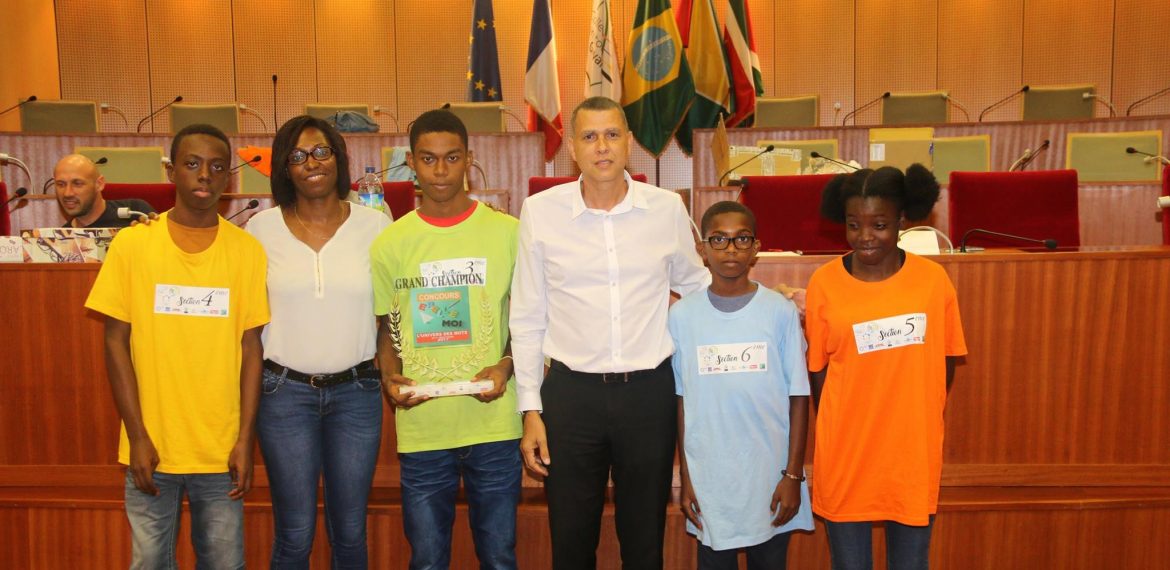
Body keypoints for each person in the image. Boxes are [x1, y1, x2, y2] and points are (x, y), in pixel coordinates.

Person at [510, 96, 709, 570]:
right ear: (572, 149)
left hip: (648, 396)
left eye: (612, 134)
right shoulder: (540, 212)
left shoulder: (665, 209)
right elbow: (527, 316)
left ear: (629, 142)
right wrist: (530, 410)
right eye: (589, 136)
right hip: (571, 399)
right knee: (571, 542)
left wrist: (758, 301)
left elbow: (697, 286)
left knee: (644, 543)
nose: (602, 146)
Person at [84, 124, 268, 568]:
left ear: (229, 179)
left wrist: (245, 440)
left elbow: (252, 350)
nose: (204, 175)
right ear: (171, 172)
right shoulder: (133, 244)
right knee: (149, 561)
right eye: (192, 164)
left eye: (217, 167)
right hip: (151, 446)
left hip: (220, 451)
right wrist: (138, 436)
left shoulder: (246, 251)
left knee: (224, 562)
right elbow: (115, 343)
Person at [372, 109, 521, 569]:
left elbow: (529, 323)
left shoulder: (509, 234)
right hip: (424, 429)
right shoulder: (390, 243)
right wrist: (390, 378)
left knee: (498, 558)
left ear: (469, 160)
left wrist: (506, 365)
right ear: (411, 164)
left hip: (494, 426)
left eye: (452, 158)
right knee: (428, 560)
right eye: (428, 158)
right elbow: (387, 329)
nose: (440, 170)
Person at [805, 165, 967, 570]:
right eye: (853, 224)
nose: (865, 236)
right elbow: (818, 372)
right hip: (846, 451)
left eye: (878, 224)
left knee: (911, 562)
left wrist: (914, 411)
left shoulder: (932, 282)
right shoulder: (824, 283)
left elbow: (945, 362)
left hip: (910, 452)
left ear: (901, 221)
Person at [246, 115, 388, 568]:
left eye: (322, 152)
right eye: (298, 156)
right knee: (295, 533)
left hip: (357, 394)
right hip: (284, 395)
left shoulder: (376, 225)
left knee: (350, 532)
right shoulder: (260, 230)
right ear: (284, 169)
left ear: (339, 159)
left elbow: (393, 316)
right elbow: (248, 328)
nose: (312, 163)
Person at [670, 201, 814, 570]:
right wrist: (687, 477)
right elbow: (682, 401)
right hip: (710, 480)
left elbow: (799, 396)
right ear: (702, 250)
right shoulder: (683, 315)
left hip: (769, 477)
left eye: (741, 239)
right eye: (718, 240)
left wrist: (793, 475)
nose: (730, 249)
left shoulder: (779, 311)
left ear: (756, 248)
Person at [51, 153, 155, 228]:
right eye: (61, 184)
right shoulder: (61, 239)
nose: (67, 193)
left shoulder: (135, 212)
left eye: (77, 183)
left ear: (99, 184)